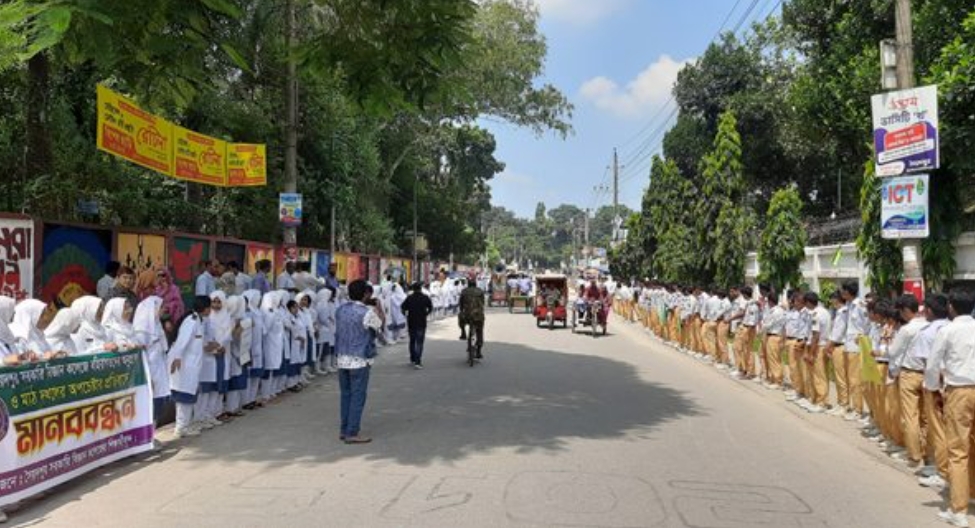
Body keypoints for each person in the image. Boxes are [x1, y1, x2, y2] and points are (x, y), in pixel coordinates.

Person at [925, 289, 975, 527]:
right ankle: (970, 492)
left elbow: (933, 364)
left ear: (952, 307)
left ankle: (959, 509)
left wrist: (933, 389)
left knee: (958, 450)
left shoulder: (948, 330)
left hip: (959, 390)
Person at [335, 279, 382, 444]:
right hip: (359, 359)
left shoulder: (340, 309)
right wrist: (378, 307)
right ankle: (352, 432)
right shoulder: (367, 313)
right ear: (366, 294)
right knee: (358, 396)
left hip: (342, 358)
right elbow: (380, 326)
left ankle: (344, 429)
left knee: (346, 395)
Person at [887, 293, 928, 468]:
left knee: (910, 416)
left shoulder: (907, 329)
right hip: (926, 373)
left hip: (909, 373)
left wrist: (885, 344)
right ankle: (927, 452)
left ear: (905, 310)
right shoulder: (929, 325)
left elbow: (893, 352)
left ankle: (914, 455)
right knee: (926, 417)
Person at [169, 296, 219, 438]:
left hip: (192, 365)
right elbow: (181, 341)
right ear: (206, 308)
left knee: (188, 395)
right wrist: (177, 358)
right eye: (210, 307)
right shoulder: (191, 321)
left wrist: (209, 346)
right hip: (184, 365)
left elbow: (196, 343)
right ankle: (181, 427)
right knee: (184, 395)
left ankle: (184, 425)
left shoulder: (199, 321)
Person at [134, 296, 171, 426]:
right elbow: (141, 356)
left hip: (159, 369)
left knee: (159, 402)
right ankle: (149, 438)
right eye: (161, 307)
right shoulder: (142, 330)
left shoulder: (156, 324)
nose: (163, 309)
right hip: (150, 371)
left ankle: (152, 436)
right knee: (151, 405)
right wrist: (148, 377)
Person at [401, 282, 433, 369]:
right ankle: (418, 361)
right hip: (421, 322)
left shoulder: (409, 298)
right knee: (419, 342)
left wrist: (405, 315)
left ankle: (412, 358)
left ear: (413, 289)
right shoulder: (425, 298)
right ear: (420, 289)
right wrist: (426, 313)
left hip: (411, 322)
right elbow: (430, 307)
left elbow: (403, 307)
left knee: (412, 340)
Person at [459, 274, 486, 359]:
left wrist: (462, 310)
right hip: (478, 315)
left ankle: (463, 332)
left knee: (460, 317)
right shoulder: (480, 291)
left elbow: (461, 304)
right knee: (479, 331)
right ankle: (478, 351)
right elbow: (483, 303)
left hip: (466, 315)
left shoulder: (464, 291)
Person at [155, 268, 185, 337]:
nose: (161, 277)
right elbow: (156, 302)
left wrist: (168, 306)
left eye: (163, 275)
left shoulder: (174, 288)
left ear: (167, 275)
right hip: (160, 317)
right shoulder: (157, 289)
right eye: (158, 275)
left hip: (173, 316)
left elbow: (178, 302)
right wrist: (165, 290)